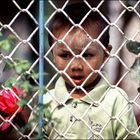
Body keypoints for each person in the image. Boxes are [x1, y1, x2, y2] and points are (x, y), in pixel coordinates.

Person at [28, 2, 140, 139]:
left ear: (106, 54)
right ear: (52, 55)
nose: (76, 66)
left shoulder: (116, 100)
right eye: (65, 55)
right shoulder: (46, 102)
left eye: (87, 55)